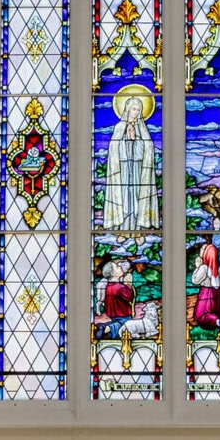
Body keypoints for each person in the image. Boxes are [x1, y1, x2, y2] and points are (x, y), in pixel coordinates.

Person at [103, 87, 157, 229]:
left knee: (138, 198)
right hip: (123, 169)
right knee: (124, 198)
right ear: (127, 109)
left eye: (139, 110)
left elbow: (149, 147)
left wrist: (136, 140)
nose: (136, 112)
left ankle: (138, 231)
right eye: (134, 109)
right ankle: (123, 230)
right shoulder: (119, 127)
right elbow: (113, 148)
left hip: (139, 169)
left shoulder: (142, 129)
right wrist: (125, 140)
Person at [93, 258, 136, 338]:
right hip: (123, 313)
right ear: (112, 273)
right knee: (125, 325)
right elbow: (129, 297)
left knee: (117, 322)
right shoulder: (120, 287)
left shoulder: (109, 286)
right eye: (117, 267)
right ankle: (107, 328)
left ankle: (103, 325)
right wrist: (129, 285)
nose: (120, 267)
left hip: (113, 313)